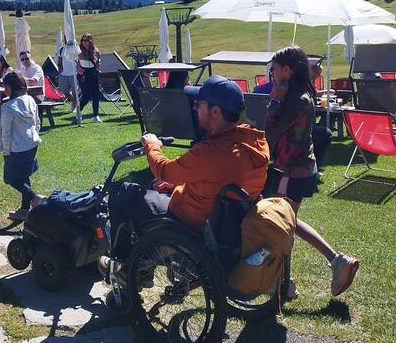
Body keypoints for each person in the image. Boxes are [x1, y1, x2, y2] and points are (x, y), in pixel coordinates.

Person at [99, 75, 270, 277]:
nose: (195, 108)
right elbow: (214, 183)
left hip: (191, 223)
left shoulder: (211, 152)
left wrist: (151, 145)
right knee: (159, 188)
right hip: (224, 223)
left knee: (124, 192)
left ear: (215, 111)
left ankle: (125, 268)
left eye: (199, 104)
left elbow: (164, 170)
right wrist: (174, 187)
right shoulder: (253, 144)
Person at [265, 46, 359, 299]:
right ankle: (335, 262)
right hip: (297, 169)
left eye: (273, 70)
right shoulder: (299, 94)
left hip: (290, 171)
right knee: (288, 222)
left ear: (287, 69)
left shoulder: (295, 99)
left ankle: (285, 284)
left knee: (280, 225)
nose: (271, 74)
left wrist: (273, 99)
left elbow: (271, 132)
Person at [0, 71, 45, 220]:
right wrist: (35, 135)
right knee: (23, 176)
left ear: (10, 87)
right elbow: (37, 122)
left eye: (5, 86)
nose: (4, 89)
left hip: (16, 148)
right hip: (31, 143)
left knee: (10, 178)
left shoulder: (8, 106)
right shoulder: (30, 99)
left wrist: (6, 151)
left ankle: (35, 197)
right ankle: (25, 210)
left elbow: (6, 132)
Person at [310, 63, 332, 173]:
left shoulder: (309, 82)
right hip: (306, 126)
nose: (319, 75)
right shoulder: (308, 82)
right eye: (318, 73)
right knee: (325, 133)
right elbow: (315, 93)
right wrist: (326, 92)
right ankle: (316, 167)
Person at [76, 33, 102, 122]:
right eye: (83, 40)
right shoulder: (79, 51)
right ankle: (79, 111)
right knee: (86, 96)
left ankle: (95, 116)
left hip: (93, 73)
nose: (84, 42)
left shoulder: (95, 50)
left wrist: (98, 69)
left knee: (96, 95)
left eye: (86, 40)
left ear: (90, 41)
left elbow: (98, 62)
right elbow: (76, 63)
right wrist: (80, 70)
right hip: (83, 74)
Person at [57, 37, 77, 107]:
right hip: (64, 74)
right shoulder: (61, 49)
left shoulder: (76, 48)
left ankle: (75, 106)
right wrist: (59, 70)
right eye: (65, 38)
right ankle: (74, 101)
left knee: (75, 92)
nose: (66, 40)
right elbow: (59, 61)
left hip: (74, 73)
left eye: (67, 38)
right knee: (64, 92)